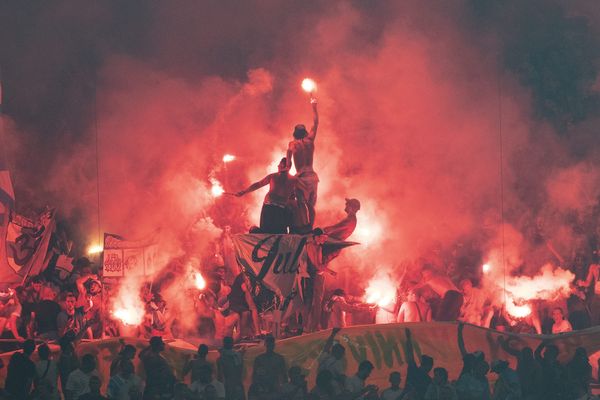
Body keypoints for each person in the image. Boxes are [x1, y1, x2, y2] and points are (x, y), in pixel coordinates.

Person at [234, 157, 297, 234]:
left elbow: (258, 184)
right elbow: (293, 199)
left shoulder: (276, 177)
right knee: (277, 234)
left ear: (284, 165)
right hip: (278, 209)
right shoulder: (292, 180)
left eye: (280, 164)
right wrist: (244, 192)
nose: (278, 166)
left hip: (270, 209)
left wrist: (244, 192)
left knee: (268, 233)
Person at [286, 95, 319, 230]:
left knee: (300, 204)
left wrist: (285, 178)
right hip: (312, 176)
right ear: (305, 132)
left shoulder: (292, 144)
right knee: (311, 205)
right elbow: (316, 123)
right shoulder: (310, 140)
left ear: (294, 133)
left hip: (300, 177)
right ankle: (310, 227)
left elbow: (287, 165)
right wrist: (314, 106)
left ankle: (304, 226)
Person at [228, 273, 260, 339]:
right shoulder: (241, 276)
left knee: (248, 312)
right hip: (235, 302)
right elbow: (245, 289)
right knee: (247, 312)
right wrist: (251, 305)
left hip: (242, 303)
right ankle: (244, 335)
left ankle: (252, 333)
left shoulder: (253, 279)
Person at [404, 328, 434, 400]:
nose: (430, 369)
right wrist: (408, 339)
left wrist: (408, 339)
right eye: (430, 366)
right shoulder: (427, 379)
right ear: (428, 366)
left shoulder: (414, 370)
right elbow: (410, 354)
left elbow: (410, 354)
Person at [317, 328, 346, 393]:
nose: (343, 355)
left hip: (320, 387)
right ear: (338, 353)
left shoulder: (324, 357)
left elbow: (327, 346)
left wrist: (333, 334)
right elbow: (342, 377)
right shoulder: (337, 363)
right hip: (332, 389)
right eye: (342, 353)